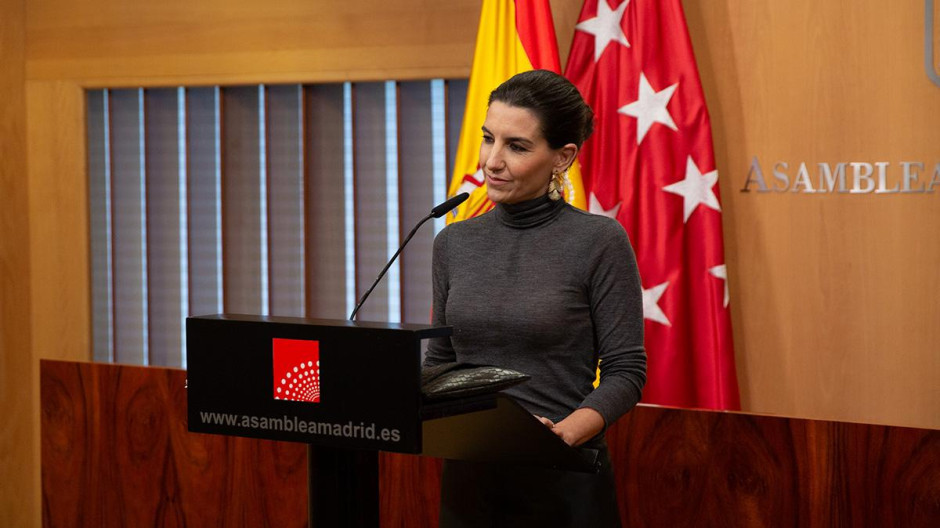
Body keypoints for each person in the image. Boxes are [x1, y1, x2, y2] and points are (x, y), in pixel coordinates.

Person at [425, 69, 647, 527]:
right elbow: (440, 363)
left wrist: (559, 436)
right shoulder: (453, 242)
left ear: (562, 156)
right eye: (489, 139)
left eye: (517, 146)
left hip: (562, 479)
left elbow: (626, 372)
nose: (492, 161)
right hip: (471, 482)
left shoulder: (599, 241)